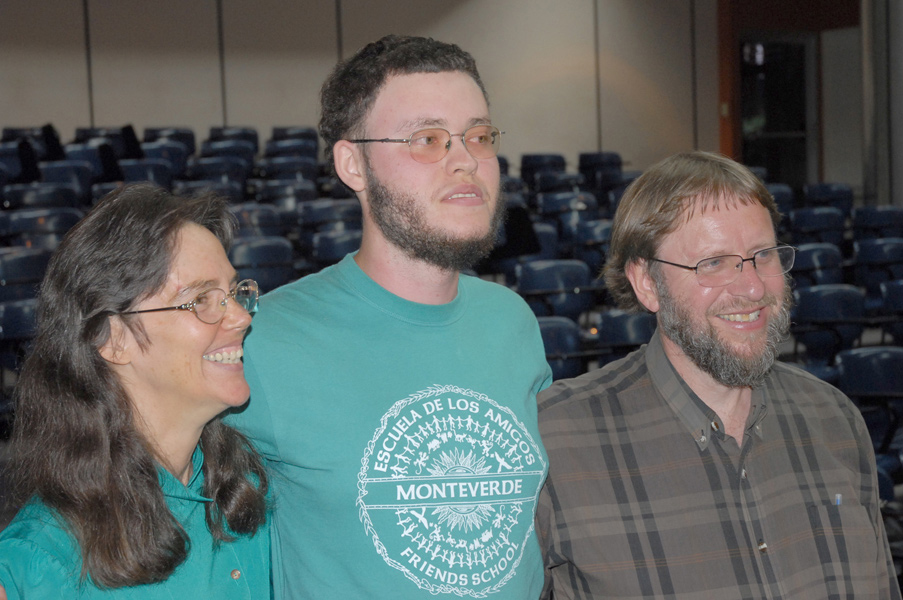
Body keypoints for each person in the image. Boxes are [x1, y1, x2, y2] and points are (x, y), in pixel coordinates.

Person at [227, 35, 551, 599]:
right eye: (427, 139)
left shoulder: (512, 321)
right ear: (353, 164)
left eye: (478, 136)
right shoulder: (263, 339)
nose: (465, 159)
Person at [537, 151, 901, 599]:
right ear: (647, 283)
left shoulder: (836, 420)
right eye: (713, 262)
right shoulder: (556, 440)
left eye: (762, 255)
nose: (752, 287)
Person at [0, 184, 270, 598]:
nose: (238, 317)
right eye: (201, 299)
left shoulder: (246, 494)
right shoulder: (38, 564)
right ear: (113, 339)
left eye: (234, 293)